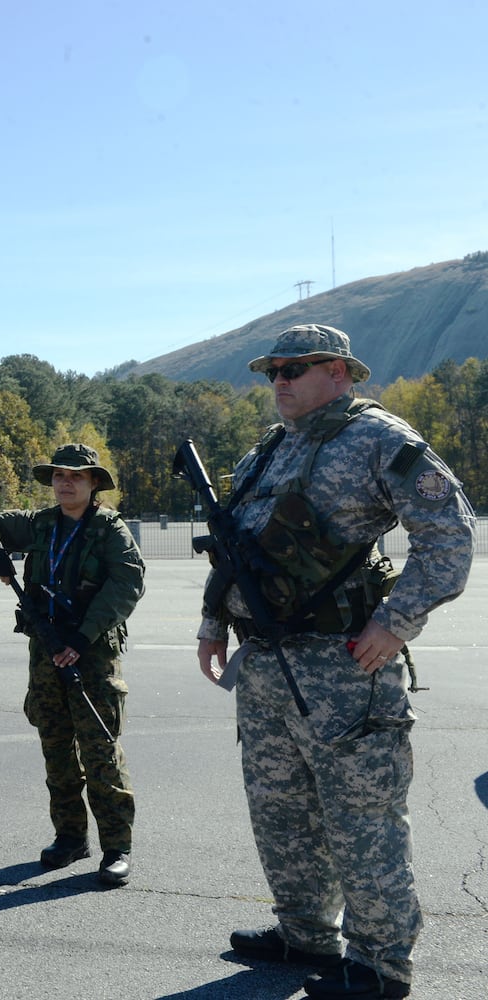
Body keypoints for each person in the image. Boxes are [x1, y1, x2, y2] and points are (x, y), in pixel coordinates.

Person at [195, 324, 475, 999]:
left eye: (297, 368)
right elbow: (234, 548)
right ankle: (306, 933)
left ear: (342, 372)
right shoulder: (267, 450)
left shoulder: (381, 439)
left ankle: (381, 964)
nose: (281, 381)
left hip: (345, 667)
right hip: (266, 663)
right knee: (281, 810)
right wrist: (213, 623)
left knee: (361, 819)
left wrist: (395, 624)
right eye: (273, 371)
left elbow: (450, 536)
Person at [0, 444, 145, 888]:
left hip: (92, 655)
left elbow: (128, 584)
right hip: (46, 653)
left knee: (101, 751)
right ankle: (70, 836)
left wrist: (82, 639)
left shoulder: (109, 529)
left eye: (77, 476)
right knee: (56, 749)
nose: (66, 482)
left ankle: (116, 847)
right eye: (59, 475)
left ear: (93, 484)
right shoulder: (40, 524)